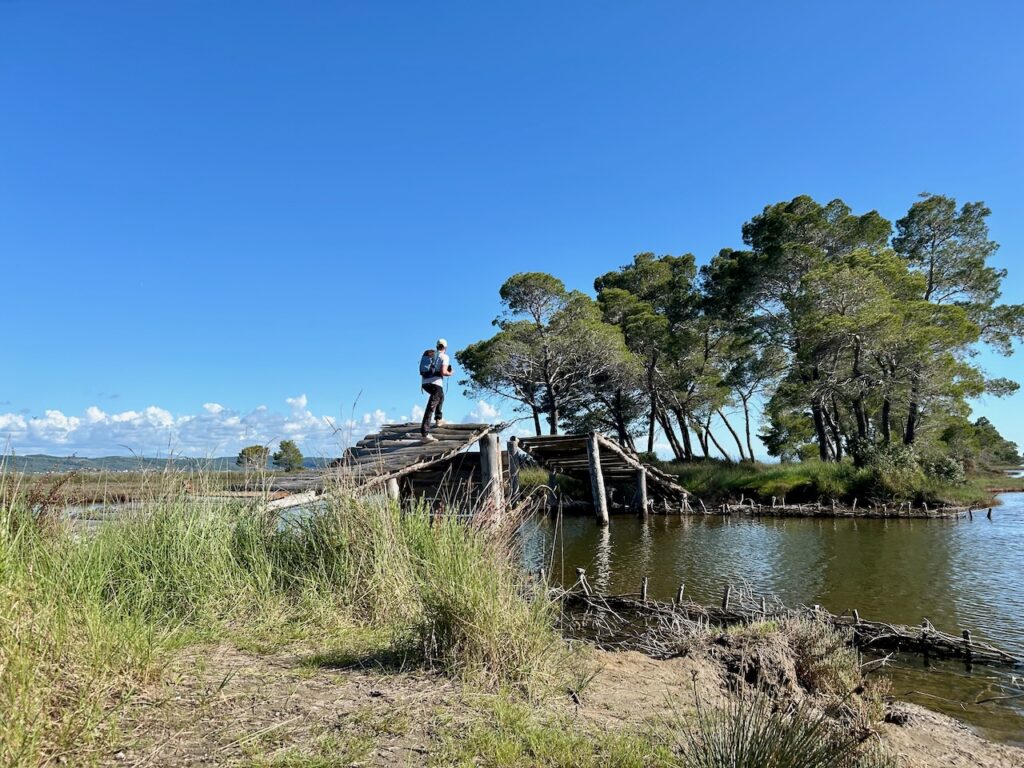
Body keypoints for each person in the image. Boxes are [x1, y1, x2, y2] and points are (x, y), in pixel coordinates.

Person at [421, 338, 453, 442]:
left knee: (441, 396)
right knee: (431, 407)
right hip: (436, 383)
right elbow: (444, 372)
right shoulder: (444, 356)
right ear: (445, 347)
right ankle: (424, 434)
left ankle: (438, 419)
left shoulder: (431, 355)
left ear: (437, 346)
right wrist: (450, 373)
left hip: (425, 383)